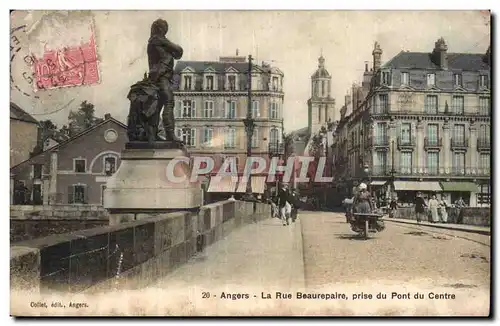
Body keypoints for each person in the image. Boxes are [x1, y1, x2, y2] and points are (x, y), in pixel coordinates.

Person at [147, 19, 184, 141]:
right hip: (161, 76)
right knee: (169, 102)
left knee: (158, 106)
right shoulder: (158, 39)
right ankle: (169, 134)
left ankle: (152, 134)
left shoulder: (155, 41)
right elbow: (178, 51)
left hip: (160, 76)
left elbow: (177, 54)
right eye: (164, 27)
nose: (165, 30)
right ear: (160, 28)